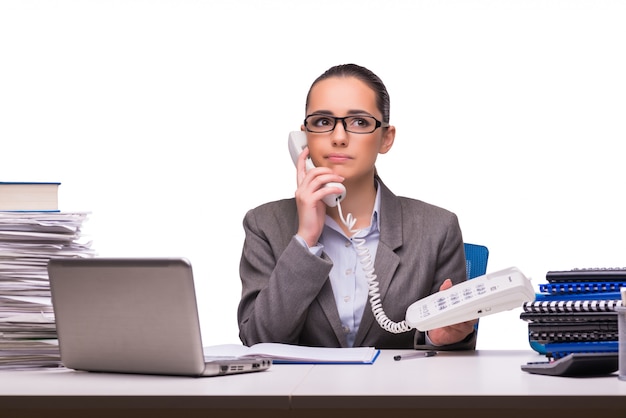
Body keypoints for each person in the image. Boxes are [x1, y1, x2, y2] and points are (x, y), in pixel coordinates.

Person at [237, 64, 476, 350]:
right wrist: (305, 240)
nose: (338, 137)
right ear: (304, 138)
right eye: (323, 122)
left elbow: (455, 352)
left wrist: (440, 337)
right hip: (299, 394)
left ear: (386, 138)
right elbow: (258, 341)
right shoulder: (264, 224)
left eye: (360, 122)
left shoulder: (437, 229)